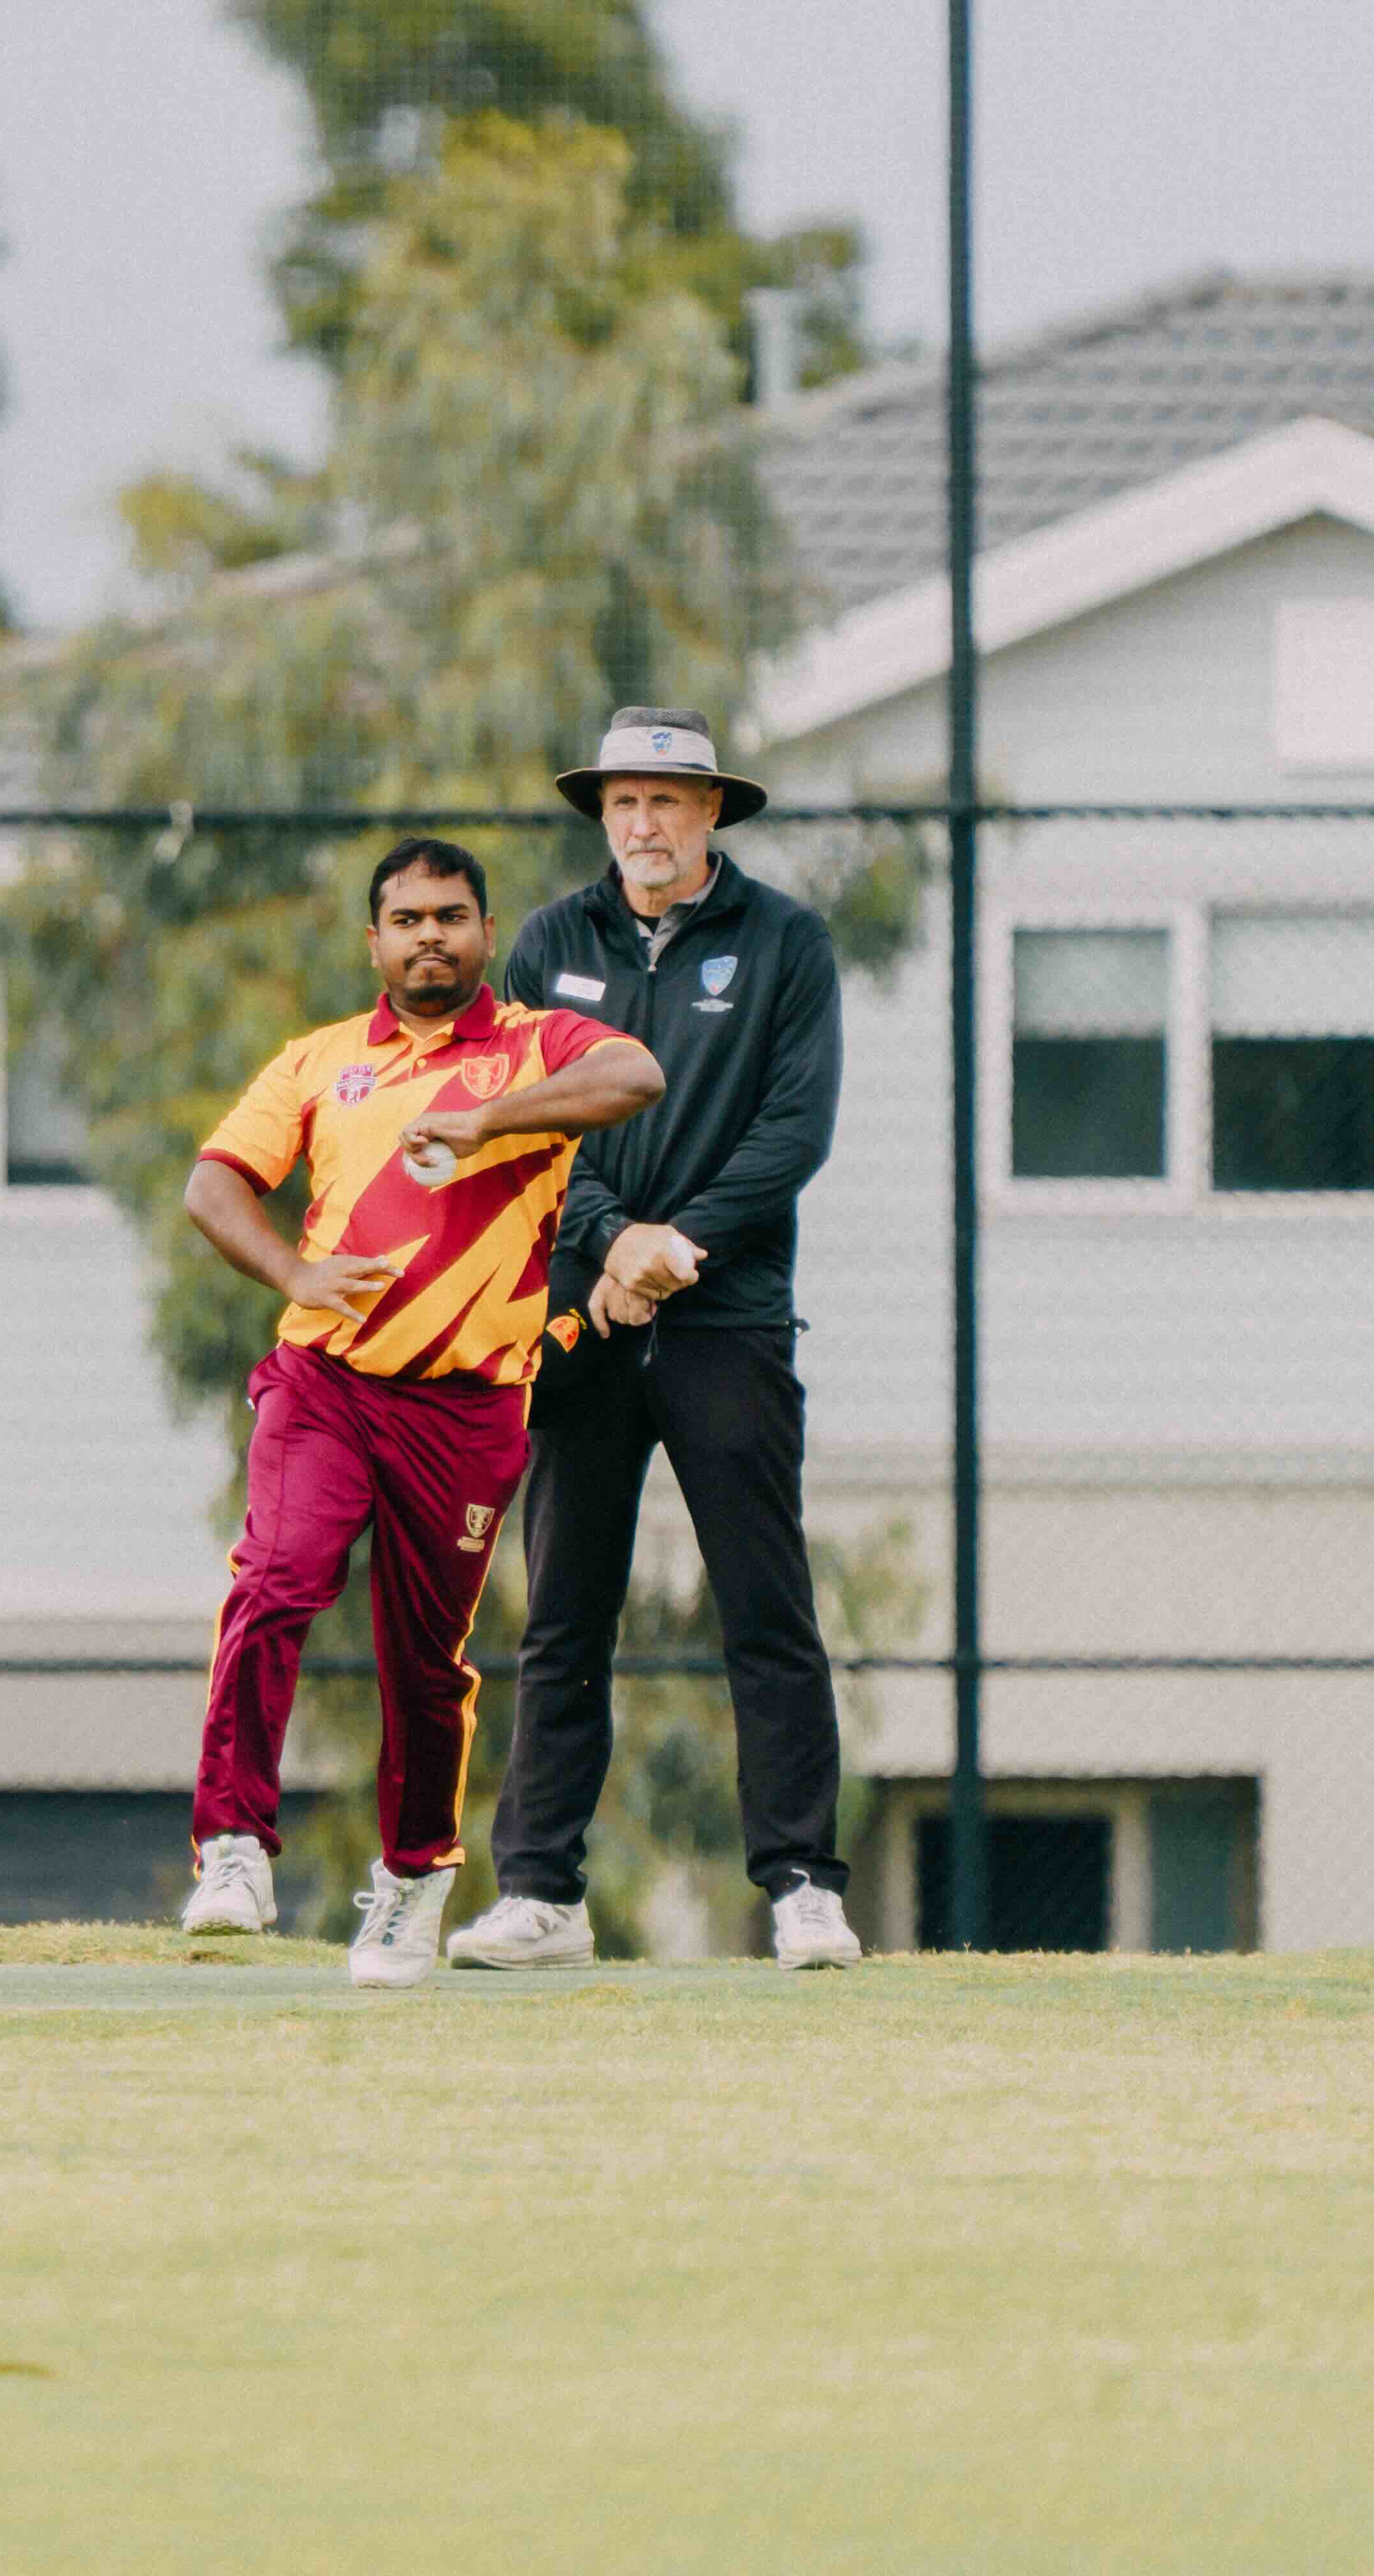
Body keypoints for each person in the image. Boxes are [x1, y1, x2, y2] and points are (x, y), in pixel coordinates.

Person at [176, 837, 664, 1987]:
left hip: (470, 1410)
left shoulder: (540, 1047)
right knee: (278, 1577)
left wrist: (487, 1125)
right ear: (375, 942)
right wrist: (292, 1278)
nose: (430, 936)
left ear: (486, 933)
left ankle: (412, 1882)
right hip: (327, 1382)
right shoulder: (320, 1060)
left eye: (451, 916)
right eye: (407, 920)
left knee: (425, 1660)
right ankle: (235, 1845)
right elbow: (213, 1186)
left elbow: (639, 1078)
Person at [445, 706, 860, 1973]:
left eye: (668, 802)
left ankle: (800, 1885)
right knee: (565, 1605)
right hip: (578, 1304)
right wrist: (614, 1236)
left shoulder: (786, 942)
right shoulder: (549, 940)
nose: (643, 825)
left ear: (713, 812)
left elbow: (795, 1128)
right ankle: (542, 1893)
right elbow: (513, 1120)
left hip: (725, 1306)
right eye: (624, 802)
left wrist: (679, 1242)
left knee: (764, 1600)